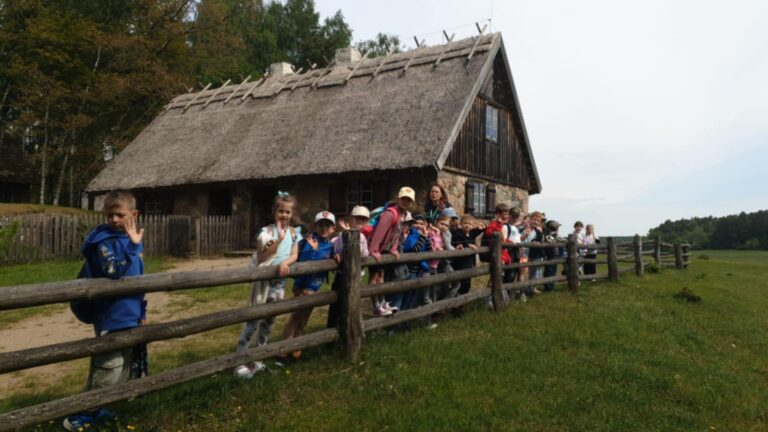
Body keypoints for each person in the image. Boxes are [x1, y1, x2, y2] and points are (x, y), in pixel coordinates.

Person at [64, 190, 146, 431]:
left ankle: (95, 408)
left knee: (119, 367)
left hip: (129, 313)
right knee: (108, 368)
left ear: (134, 214)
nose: (113, 220)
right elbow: (113, 271)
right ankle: (80, 417)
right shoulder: (104, 242)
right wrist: (132, 248)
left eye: (119, 214)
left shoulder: (129, 241)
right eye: (110, 215)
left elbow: (139, 279)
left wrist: (142, 310)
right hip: (111, 315)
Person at [234, 192, 300, 379]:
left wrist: (286, 262)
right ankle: (239, 361)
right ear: (274, 212)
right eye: (281, 211)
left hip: (279, 285)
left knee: (269, 323)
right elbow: (262, 255)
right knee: (253, 321)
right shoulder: (266, 232)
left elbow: (295, 254)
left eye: (287, 212)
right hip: (263, 283)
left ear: (292, 213)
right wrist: (278, 239)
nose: (284, 215)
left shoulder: (294, 233)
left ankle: (258, 359)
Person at [282, 211, 336, 358]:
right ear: (315, 226)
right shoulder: (309, 240)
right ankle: (284, 347)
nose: (324, 228)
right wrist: (313, 249)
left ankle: (296, 346)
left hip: (314, 287)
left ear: (333, 229)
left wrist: (337, 256)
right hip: (303, 285)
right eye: (321, 225)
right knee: (296, 316)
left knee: (304, 317)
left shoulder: (330, 245)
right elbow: (304, 261)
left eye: (328, 225)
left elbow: (332, 258)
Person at [369, 187, 415, 311]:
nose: (406, 202)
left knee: (381, 277)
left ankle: (382, 302)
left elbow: (397, 234)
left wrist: (393, 249)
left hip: (384, 249)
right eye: (403, 198)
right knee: (374, 278)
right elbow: (379, 232)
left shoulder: (402, 214)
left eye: (409, 200)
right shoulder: (391, 213)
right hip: (377, 249)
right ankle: (376, 306)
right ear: (398, 199)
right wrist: (373, 250)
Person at [327, 206, 372, 327]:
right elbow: (333, 249)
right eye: (358, 218)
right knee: (337, 305)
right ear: (351, 219)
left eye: (363, 219)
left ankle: (348, 329)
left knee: (351, 304)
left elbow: (364, 254)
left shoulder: (362, 237)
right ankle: (333, 333)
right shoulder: (341, 235)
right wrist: (336, 254)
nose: (360, 221)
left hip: (356, 276)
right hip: (342, 276)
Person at [450, 215, 485, 299]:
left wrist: (482, 227)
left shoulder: (471, 233)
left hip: (469, 263)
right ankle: (456, 302)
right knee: (459, 283)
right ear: (461, 224)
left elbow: (479, 230)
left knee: (467, 283)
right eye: (465, 223)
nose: (467, 225)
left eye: (470, 224)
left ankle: (462, 301)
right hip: (460, 264)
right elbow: (458, 242)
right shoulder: (458, 233)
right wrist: (468, 245)